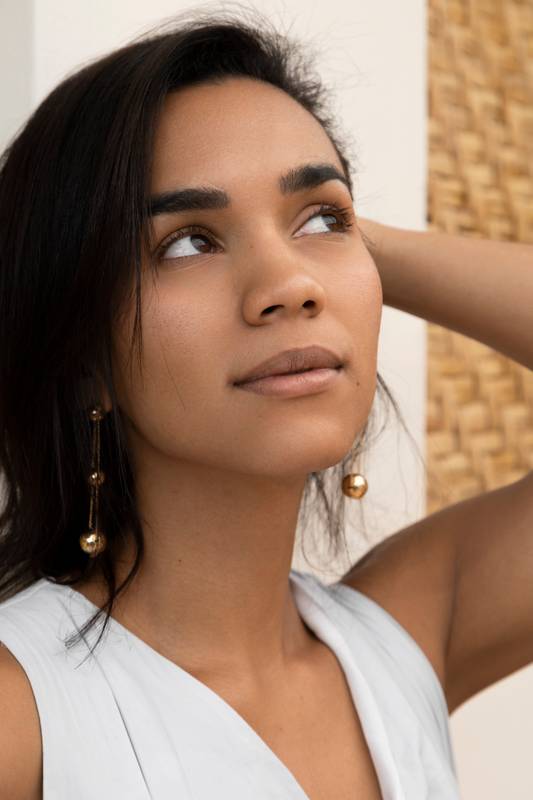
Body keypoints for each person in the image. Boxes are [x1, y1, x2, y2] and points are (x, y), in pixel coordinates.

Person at [0, 7, 532, 800]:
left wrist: (347, 246)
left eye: (323, 217)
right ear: (82, 353)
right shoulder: (24, 715)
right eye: (187, 241)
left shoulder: (397, 646)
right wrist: (307, 229)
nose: (288, 285)